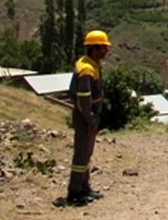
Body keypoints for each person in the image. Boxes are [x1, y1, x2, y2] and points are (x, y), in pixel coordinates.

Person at [65, 30, 110, 206]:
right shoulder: (86, 70)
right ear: (95, 48)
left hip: (89, 116)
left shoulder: (91, 65)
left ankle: (85, 187)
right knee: (81, 155)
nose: (106, 51)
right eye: (104, 48)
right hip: (86, 117)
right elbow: (84, 99)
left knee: (86, 154)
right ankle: (75, 192)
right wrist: (91, 120)